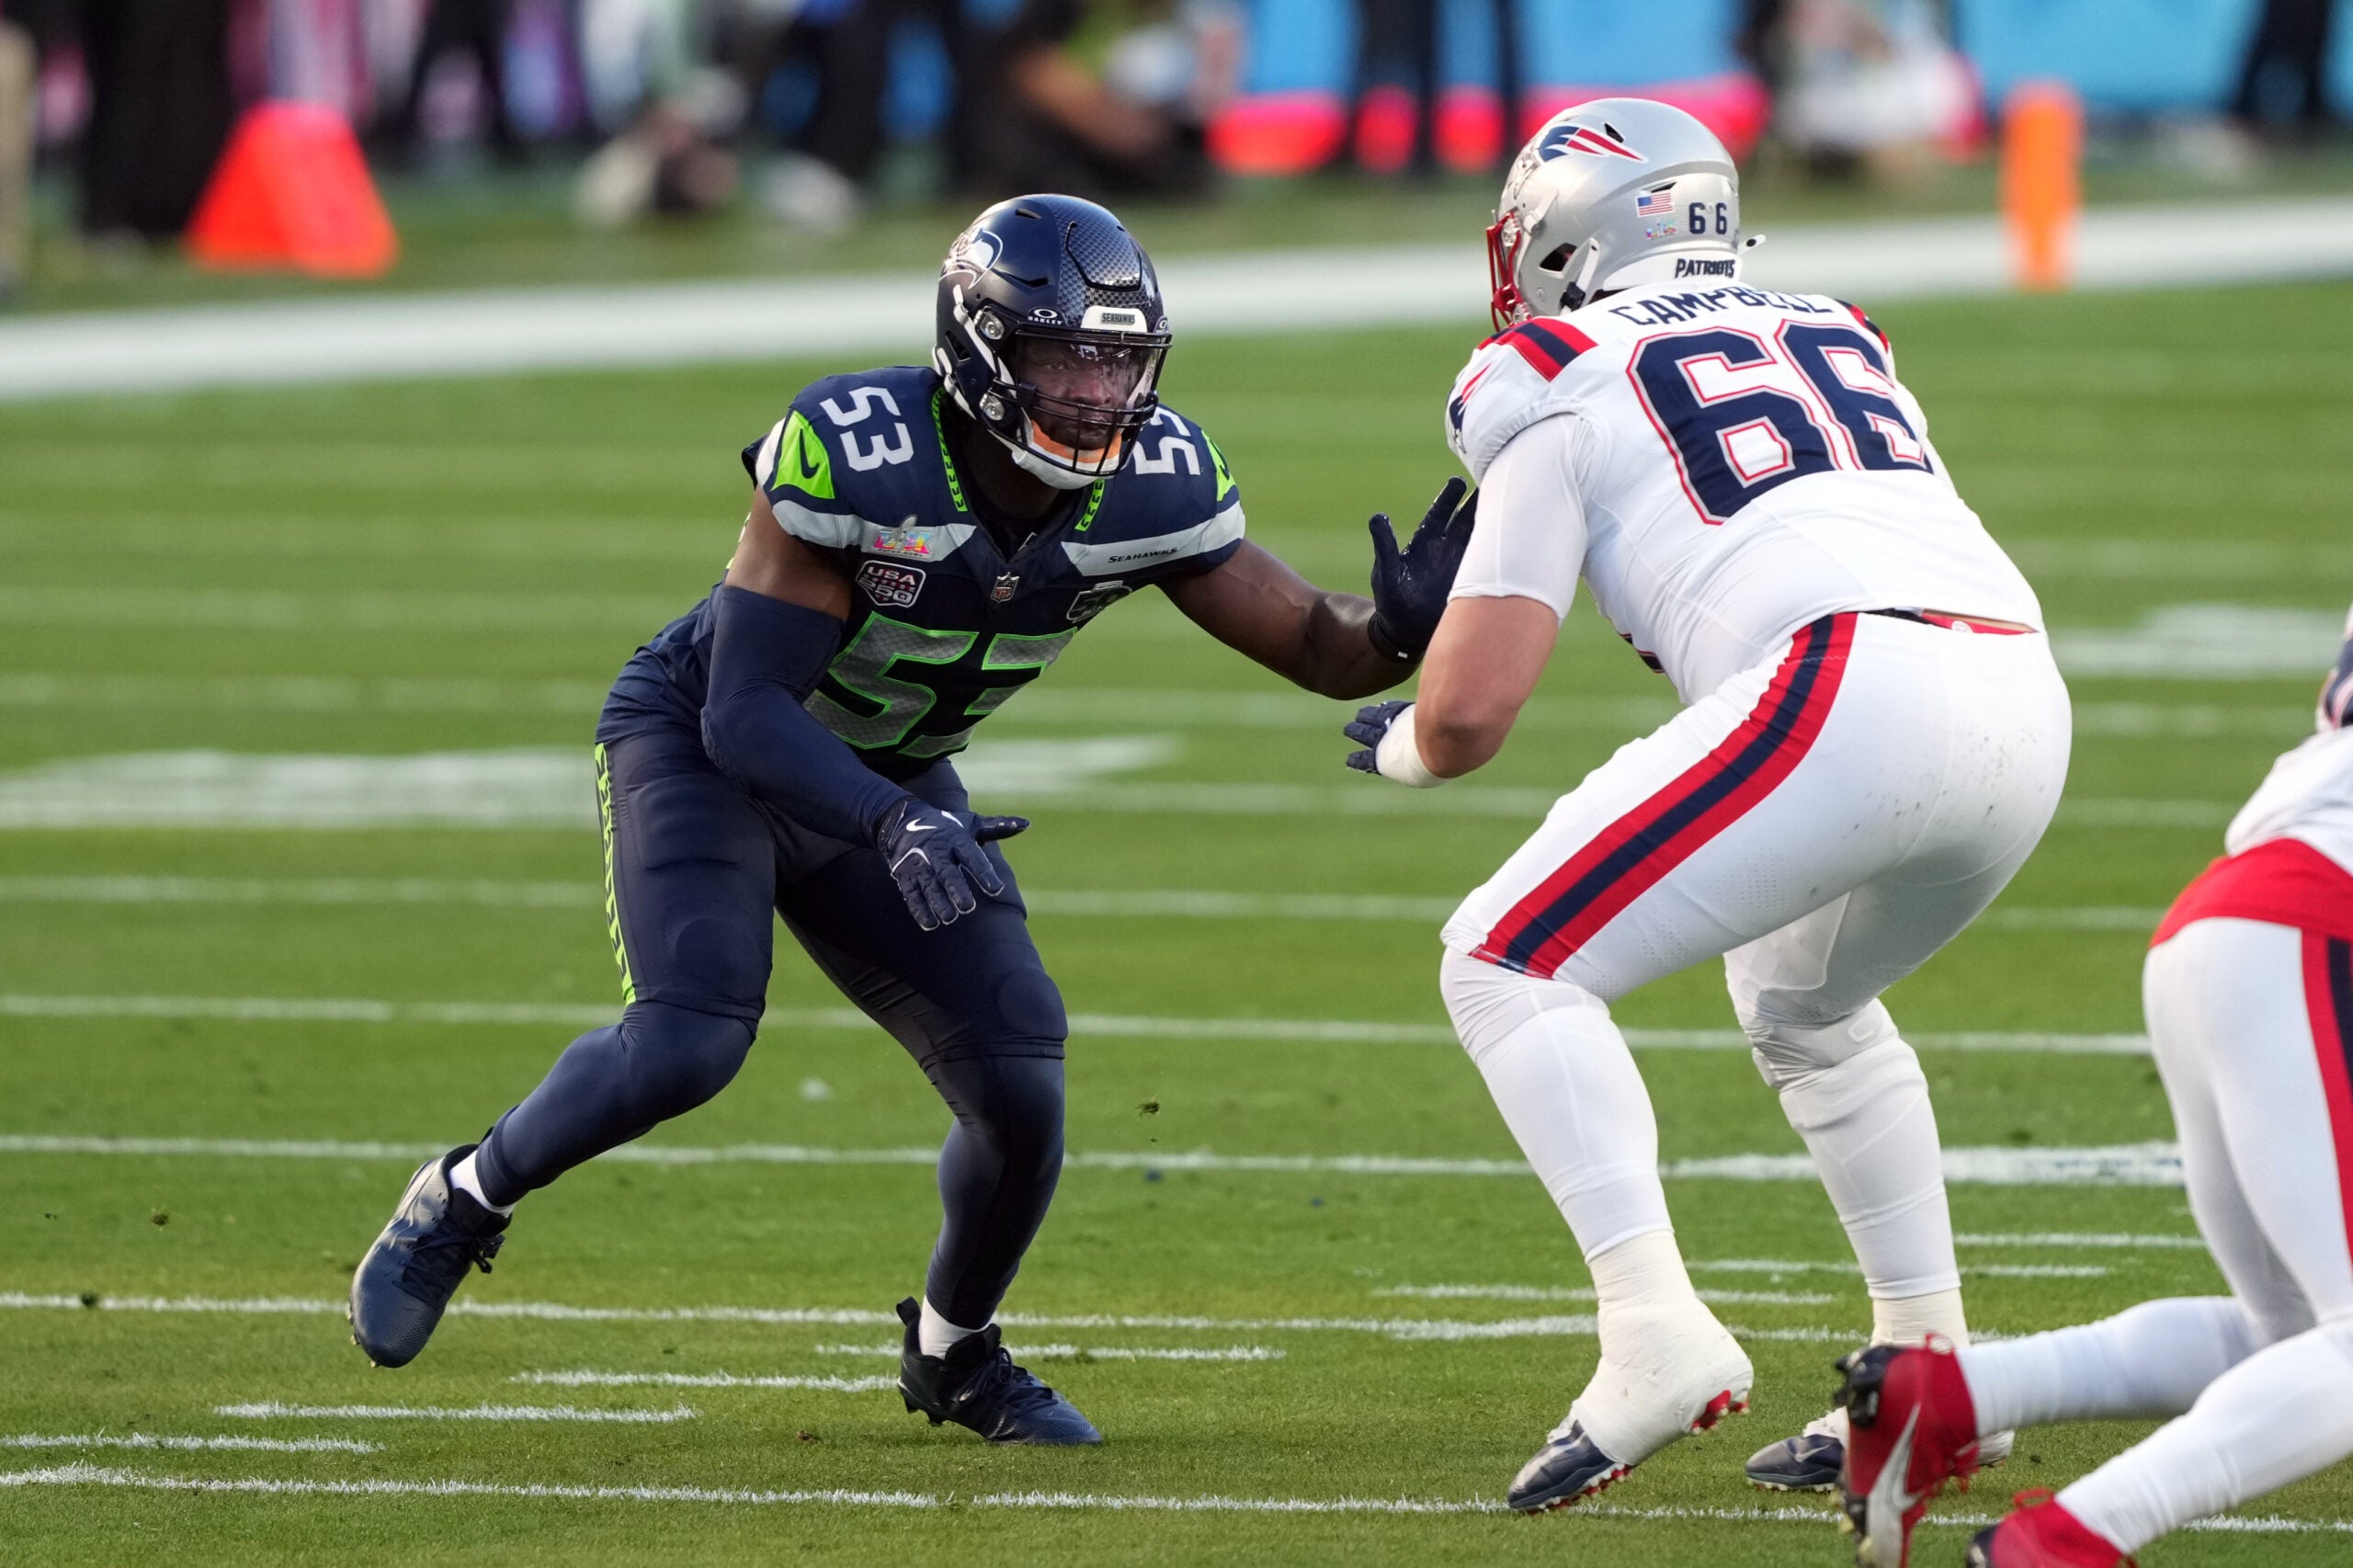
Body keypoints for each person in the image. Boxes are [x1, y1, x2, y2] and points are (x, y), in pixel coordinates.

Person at [347, 193, 1472, 1444]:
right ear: (981, 349)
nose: (1098, 392)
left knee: (1018, 1069)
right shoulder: (862, 445)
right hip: (715, 745)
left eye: (1120, 361)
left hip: (892, 777)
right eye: (1064, 356)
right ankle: (464, 1195)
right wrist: (893, 821)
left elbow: (1317, 647)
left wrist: (1401, 631)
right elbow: (747, 712)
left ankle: (954, 1352)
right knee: (691, 1039)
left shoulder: (1149, 485)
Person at [1340, 98, 2068, 1509]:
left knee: (1505, 958)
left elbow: (1473, 712)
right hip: (2023, 693)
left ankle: (1652, 1329)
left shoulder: (1543, 366)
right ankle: (1931, 1367)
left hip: (1852, 677)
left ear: (1566, 235)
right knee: (1805, 1003)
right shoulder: (1839, 329)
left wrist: (1404, 746)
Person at [1837, 604, 2353, 1568]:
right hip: (2313, 924)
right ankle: (2070, 1538)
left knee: (2286, 1334)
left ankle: (1943, 1395)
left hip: (2239, 916)